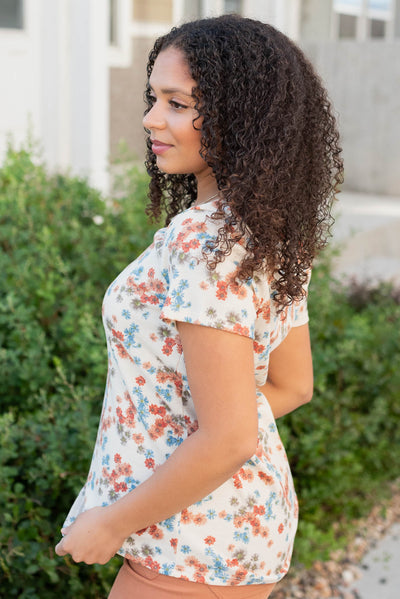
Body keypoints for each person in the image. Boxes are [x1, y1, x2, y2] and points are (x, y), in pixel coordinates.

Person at [55, 14, 343, 598]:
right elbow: (292, 385)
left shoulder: (205, 245)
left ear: (243, 116)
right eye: (153, 98)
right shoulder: (261, 230)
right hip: (233, 530)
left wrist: (110, 521)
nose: (151, 119)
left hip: (190, 543)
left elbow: (230, 436)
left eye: (178, 104)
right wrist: (188, 432)